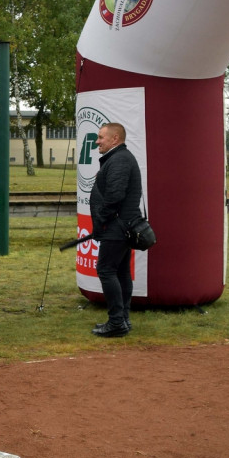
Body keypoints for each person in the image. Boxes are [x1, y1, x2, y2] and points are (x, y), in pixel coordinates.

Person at [88, 122, 142, 337]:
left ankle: (117, 321)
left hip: (116, 227)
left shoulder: (119, 160)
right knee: (120, 272)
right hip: (121, 226)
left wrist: (101, 219)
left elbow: (114, 196)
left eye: (101, 137)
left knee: (106, 270)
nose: (97, 141)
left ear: (115, 139)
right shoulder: (119, 158)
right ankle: (123, 319)